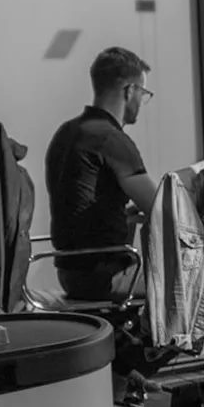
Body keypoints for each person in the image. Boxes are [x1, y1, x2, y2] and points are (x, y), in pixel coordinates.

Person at [46, 47, 157, 301]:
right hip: (105, 277)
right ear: (130, 91)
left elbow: (78, 206)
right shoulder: (111, 139)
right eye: (143, 92)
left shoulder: (67, 133)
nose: (141, 100)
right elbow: (161, 209)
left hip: (70, 272)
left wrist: (123, 218)